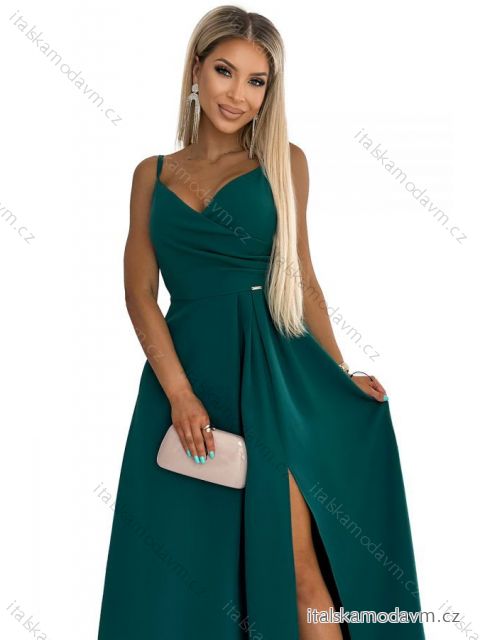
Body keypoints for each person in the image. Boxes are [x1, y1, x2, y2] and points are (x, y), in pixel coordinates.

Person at [97, 6, 425, 639]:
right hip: (183, 378)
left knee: (296, 565)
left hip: (277, 377)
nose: (238, 94)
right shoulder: (151, 174)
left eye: (257, 81)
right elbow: (139, 295)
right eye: (225, 71)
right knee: (189, 570)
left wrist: (338, 375)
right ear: (196, 69)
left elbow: (302, 280)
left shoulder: (284, 162)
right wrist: (180, 393)